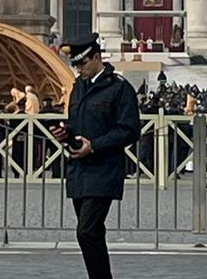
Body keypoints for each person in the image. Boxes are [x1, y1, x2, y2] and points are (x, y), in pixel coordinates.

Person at [51, 36, 141, 279]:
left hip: (104, 170)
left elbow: (130, 129)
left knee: (86, 232)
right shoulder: (79, 86)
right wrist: (66, 133)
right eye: (76, 65)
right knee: (93, 233)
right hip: (79, 170)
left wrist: (94, 146)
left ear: (97, 57)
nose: (78, 69)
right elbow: (77, 123)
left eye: (82, 63)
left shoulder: (119, 88)